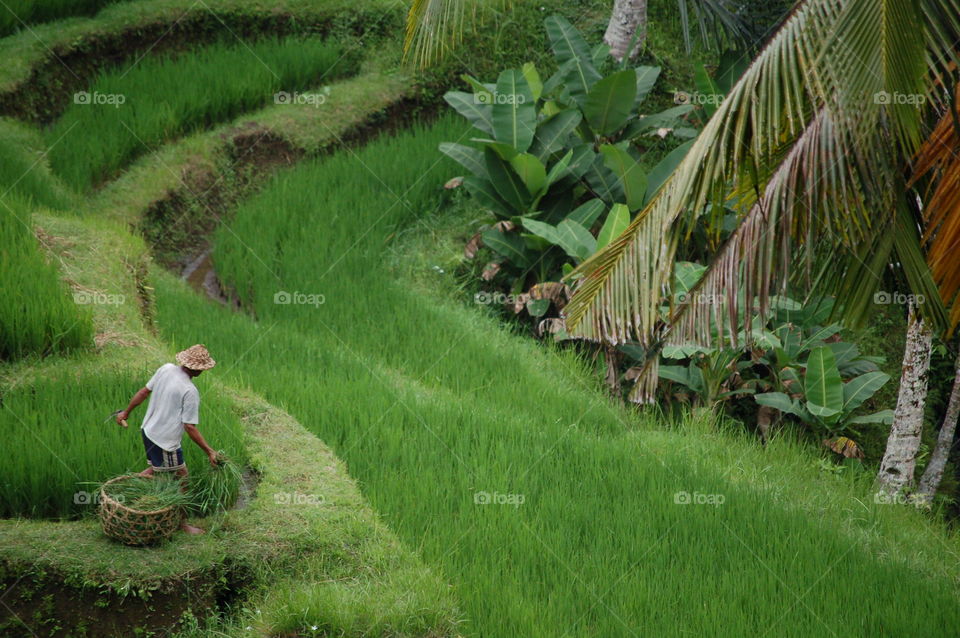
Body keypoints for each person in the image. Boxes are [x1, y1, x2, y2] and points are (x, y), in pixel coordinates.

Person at [116, 344, 218, 535]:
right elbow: (190, 427)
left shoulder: (166, 368)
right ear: (198, 369)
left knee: (158, 470)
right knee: (182, 479)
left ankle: (127, 485)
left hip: (148, 431)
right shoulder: (190, 391)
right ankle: (182, 524)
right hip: (165, 441)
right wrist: (210, 451)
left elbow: (144, 392)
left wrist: (126, 413)